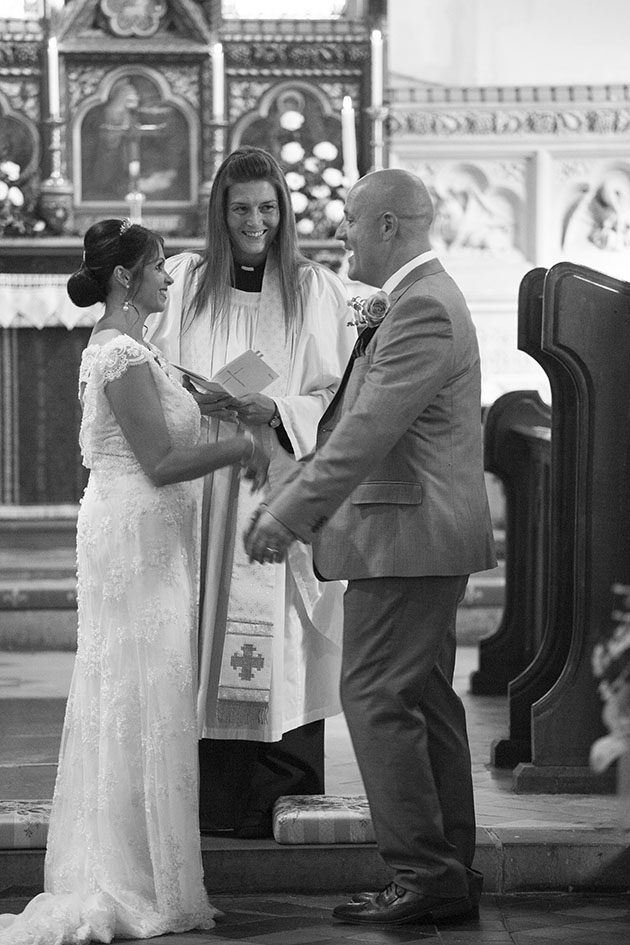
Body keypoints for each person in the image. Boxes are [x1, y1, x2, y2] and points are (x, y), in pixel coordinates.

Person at [0, 219, 268, 945]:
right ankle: (125, 873)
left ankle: (145, 862)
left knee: (146, 690)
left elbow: (170, 413)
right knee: (138, 691)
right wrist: (239, 447)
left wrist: (215, 400)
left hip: (147, 535)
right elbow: (156, 460)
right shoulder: (119, 351)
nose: (169, 277)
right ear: (125, 277)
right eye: (158, 267)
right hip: (136, 536)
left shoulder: (140, 349)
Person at [245, 168, 497, 926]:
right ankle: (446, 868)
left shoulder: (422, 308)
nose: (341, 233)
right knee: (421, 700)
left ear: (388, 225)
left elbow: (364, 434)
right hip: (413, 535)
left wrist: (288, 512)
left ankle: (422, 872)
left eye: (352, 220)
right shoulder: (418, 300)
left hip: (407, 537)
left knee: (377, 698)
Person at [145, 146, 355, 838]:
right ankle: (213, 796)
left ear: (284, 210)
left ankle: (280, 787)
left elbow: (332, 392)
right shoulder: (184, 280)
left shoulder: (314, 289)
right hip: (203, 485)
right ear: (220, 212)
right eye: (241, 209)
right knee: (202, 622)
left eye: (268, 208)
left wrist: (275, 410)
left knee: (283, 631)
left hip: (274, 477)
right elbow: (151, 369)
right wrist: (201, 394)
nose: (255, 221)